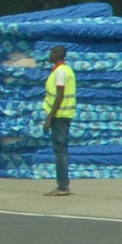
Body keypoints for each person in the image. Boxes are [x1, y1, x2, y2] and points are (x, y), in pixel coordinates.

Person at [43, 44, 78, 196]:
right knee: (61, 149)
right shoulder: (65, 70)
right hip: (65, 114)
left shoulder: (61, 72)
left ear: (58, 54)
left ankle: (63, 186)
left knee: (60, 150)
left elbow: (59, 95)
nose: (50, 55)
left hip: (60, 115)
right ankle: (63, 184)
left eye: (52, 53)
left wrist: (49, 118)